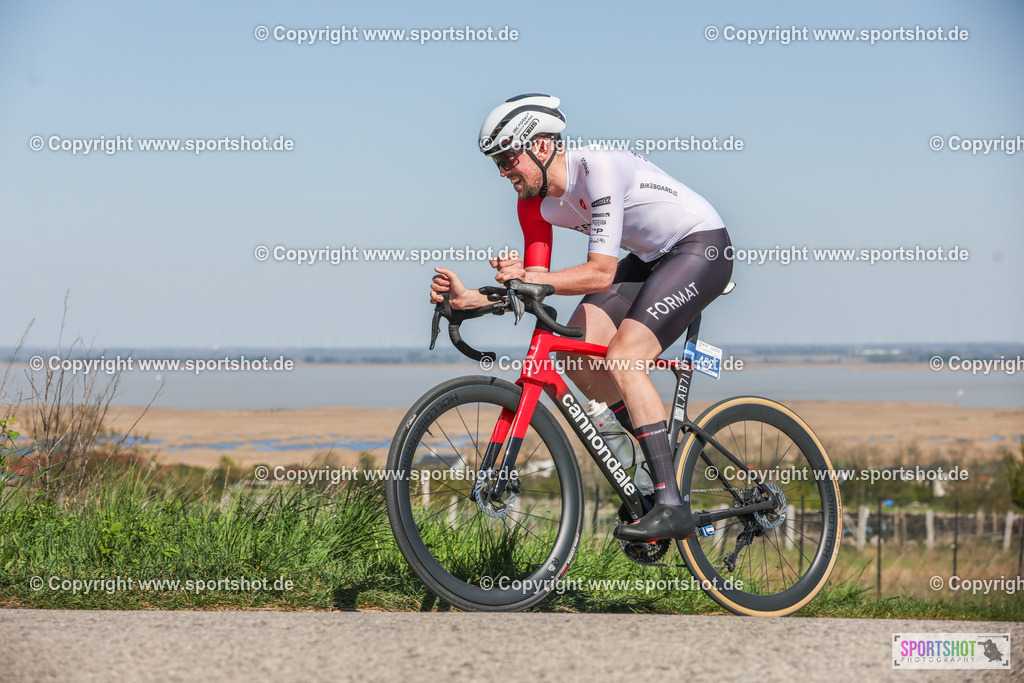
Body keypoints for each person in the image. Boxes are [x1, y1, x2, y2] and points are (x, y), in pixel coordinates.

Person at [430, 94, 733, 541]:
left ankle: (671, 503)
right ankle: (657, 464)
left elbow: (600, 271)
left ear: (542, 145)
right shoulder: (532, 202)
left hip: (699, 247)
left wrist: (532, 280)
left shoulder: (598, 169)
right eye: (496, 162)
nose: (503, 172)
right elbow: (536, 282)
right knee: (575, 355)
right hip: (649, 259)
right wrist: (473, 298)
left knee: (625, 357)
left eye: (508, 157)